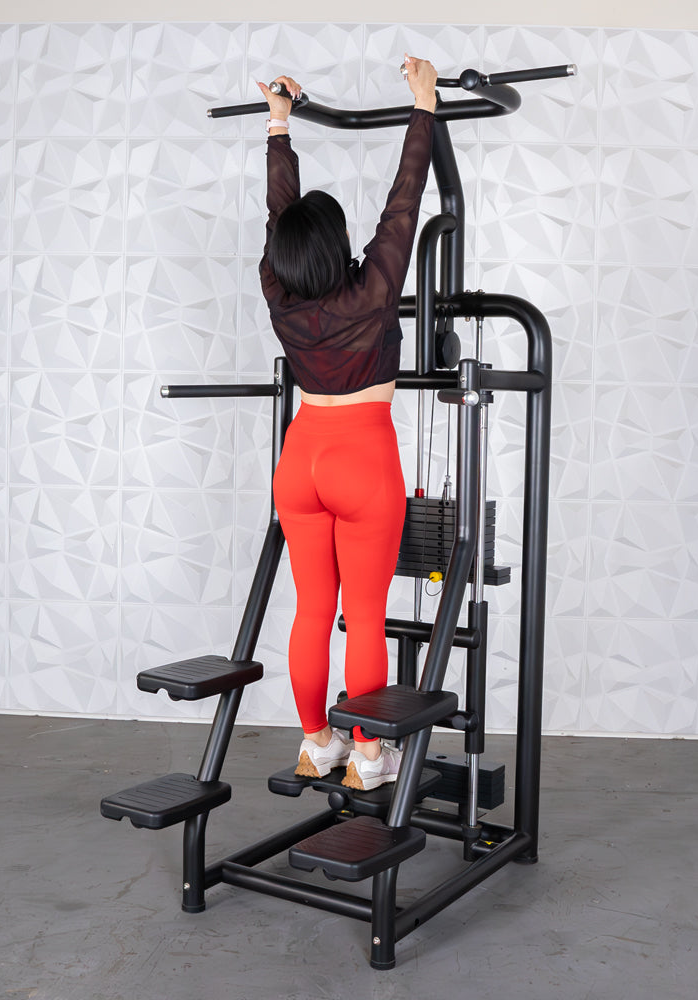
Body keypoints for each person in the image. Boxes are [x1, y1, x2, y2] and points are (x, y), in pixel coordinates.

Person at [257, 55, 437, 791]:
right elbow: (404, 205)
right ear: (338, 247)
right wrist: (422, 109)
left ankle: (316, 742)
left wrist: (279, 125)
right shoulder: (374, 291)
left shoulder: (277, 291)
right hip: (362, 458)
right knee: (364, 616)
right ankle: (370, 756)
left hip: (301, 460)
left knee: (311, 613)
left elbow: (279, 220)